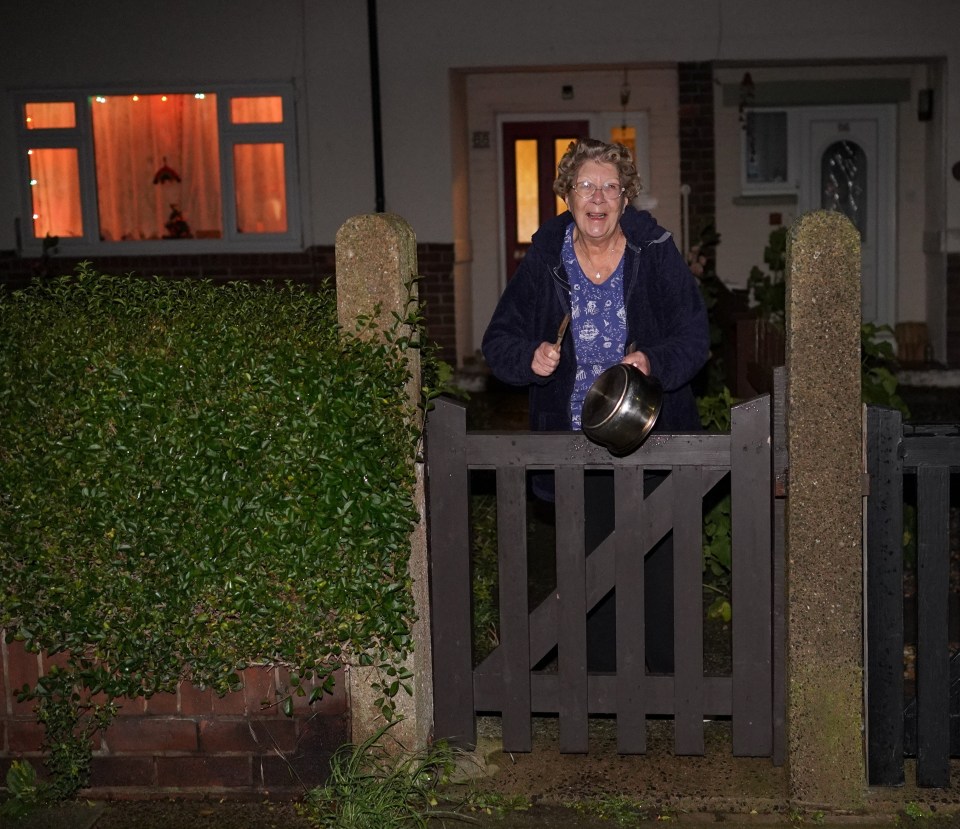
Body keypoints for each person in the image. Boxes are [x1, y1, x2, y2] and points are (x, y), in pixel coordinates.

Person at [481, 137, 710, 673]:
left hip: (651, 434)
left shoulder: (654, 252)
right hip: (573, 445)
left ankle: (663, 685)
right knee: (588, 571)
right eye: (586, 185)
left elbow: (695, 336)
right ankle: (599, 686)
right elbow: (499, 340)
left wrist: (652, 360)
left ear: (626, 196)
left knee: (655, 567)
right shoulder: (544, 259)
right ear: (567, 195)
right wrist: (530, 356)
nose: (598, 197)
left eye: (611, 186)